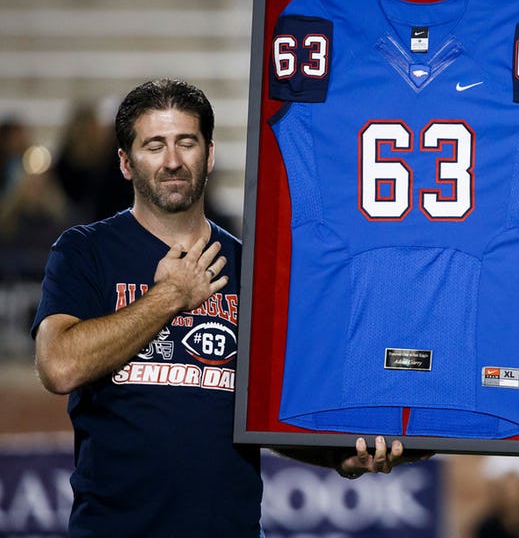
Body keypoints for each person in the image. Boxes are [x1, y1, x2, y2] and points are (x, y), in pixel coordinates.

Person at [31, 78, 421, 537]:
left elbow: (263, 415)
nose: (172, 160)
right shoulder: (84, 251)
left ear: (209, 155)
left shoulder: (251, 266)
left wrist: (337, 453)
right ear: (125, 163)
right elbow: (58, 366)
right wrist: (169, 297)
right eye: (154, 145)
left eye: (186, 143)